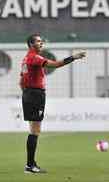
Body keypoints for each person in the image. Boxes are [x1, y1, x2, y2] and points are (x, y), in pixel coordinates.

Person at [20, 33, 86, 173]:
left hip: (29, 93)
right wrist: (73, 57)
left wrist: (26, 92)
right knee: (35, 130)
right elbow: (56, 64)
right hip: (35, 94)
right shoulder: (35, 57)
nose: (41, 43)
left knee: (34, 129)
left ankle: (30, 164)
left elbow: (21, 80)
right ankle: (30, 165)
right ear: (31, 44)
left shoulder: (26, 59)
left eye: (41, 41)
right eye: (38, 41)